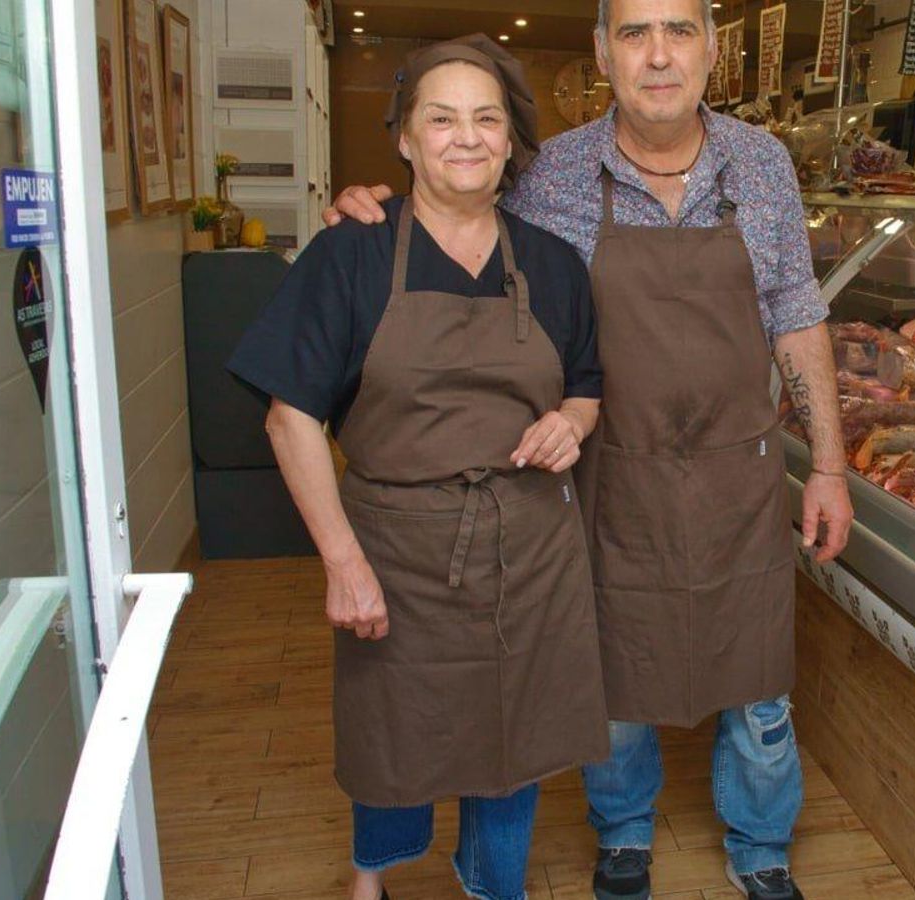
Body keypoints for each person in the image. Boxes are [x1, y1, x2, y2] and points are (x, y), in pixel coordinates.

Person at [325, 3, 853, 898]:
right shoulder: (553, 170)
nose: (658, 55)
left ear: (711, 51)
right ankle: (622, 835)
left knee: (761, 686)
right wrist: (372, 209)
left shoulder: (761, 164)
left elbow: (797, 317)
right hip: (610, 472)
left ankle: (762, 845)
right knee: (611, 674)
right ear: (604, 52)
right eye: (636, 33)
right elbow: (458, 213)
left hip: (741, 472)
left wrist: (831, 467)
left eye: (679, 31)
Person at [229, 35, 609, 900]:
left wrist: (568, 424)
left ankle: (493, 886)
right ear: (404, 138)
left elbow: (586, 384)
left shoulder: (550, 264)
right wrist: (342, 562)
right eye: (441, 119)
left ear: (511, 142)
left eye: (486, 119)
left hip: (532, 550)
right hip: (398, 550)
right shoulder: (353, 253)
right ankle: (374, 882)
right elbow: (290, 416)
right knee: (391, 731)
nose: (465, 138)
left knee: (515, 745)